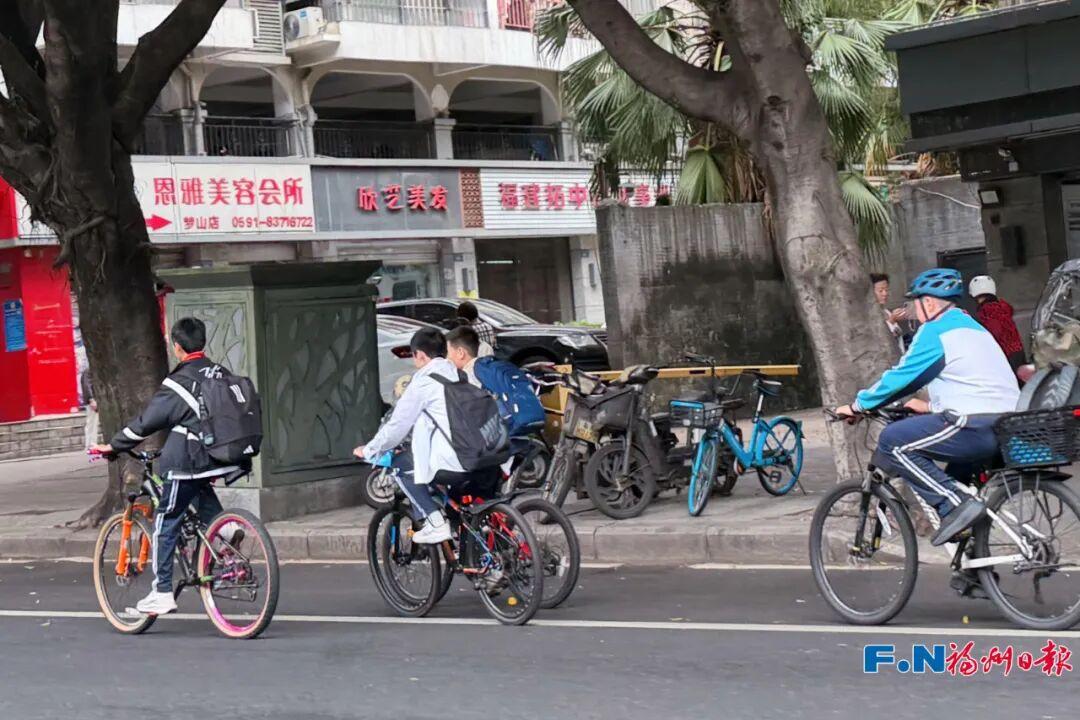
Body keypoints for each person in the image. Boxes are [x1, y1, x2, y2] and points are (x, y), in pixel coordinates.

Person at [835, 269, 1020, 584]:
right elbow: (975, 383)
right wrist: (930, 407)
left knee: (894, 440)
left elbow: (900, 377)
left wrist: (858, 405)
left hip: (973, 425)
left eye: (914, 303)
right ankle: (975, 570)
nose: (911, 311)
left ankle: (953, 508)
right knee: (956, 482)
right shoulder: (972, 327)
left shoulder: (935, 331)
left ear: (930, 304)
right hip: (1005, 425)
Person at [91, 318, 243, 616]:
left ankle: (162, 592)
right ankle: (227, 529)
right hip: (218, 457)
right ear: (202, 342)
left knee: (166, 520)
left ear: (177, 347)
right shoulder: (219, 372)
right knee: (199, 493)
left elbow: (149, 421)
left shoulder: (179, 381)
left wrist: (115, 445)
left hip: (188, 459)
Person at [353, 327, 498, 544]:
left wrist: (370, 449)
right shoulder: (458, 373)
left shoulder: (423, 381)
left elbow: (397, 426)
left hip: (457, 460)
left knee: (402, 467)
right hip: (487, 454)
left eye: (414, 356)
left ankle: (436, 522)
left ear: (420, 355)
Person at [970, 275, 1027, 373]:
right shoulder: (1002, 307)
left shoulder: (986, 311)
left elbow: (994, 333)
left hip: (1005, 355)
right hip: (1018, 351)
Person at [871, 273, 909, 353]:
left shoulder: (886, 312)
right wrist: (891, 321)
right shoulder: (867, 315)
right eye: (880, 291)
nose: (885, 294)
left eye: (886, 290)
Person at [80, 366, 99, 451]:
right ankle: (91, 445)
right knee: (92, 423)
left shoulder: (88, 371)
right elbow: (87, 386)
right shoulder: (89, 371)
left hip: (93, 400)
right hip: (93, 401)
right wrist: (91, 399)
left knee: (93, 423)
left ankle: (91, 444)